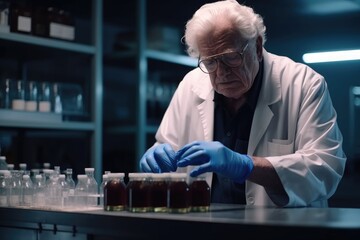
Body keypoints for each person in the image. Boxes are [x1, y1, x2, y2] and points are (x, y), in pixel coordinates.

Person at [139, 0, 346, 207]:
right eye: (210, 62)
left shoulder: (304, 84)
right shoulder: (191, 84)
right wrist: (159, 157)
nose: (221, 73)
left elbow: (325, 169)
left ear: (256, 47)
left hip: (282, 229)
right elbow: (168, 146)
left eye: (230, 58)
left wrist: (247, 166)